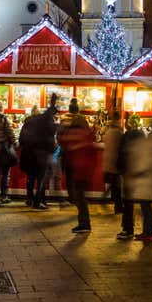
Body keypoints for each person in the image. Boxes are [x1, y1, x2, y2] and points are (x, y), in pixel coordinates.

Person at [58, 99, 95, 233]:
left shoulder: (71, 130)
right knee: (79, 196)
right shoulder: (86, 132)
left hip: (75, 168)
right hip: (83, 168)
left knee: (78, 196)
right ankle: (84, 222)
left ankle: (84, 223)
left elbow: (62, 141)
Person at [19, 96, 58, 209]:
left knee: (30, 177)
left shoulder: (28, 121)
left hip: (28, 153)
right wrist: (53, 149)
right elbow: (50, 139)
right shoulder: (46, 122)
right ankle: (39, 201)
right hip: (41, 154)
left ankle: (29, 199)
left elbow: (21, 138)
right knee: (41, 178)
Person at [116, 115, 149, 240]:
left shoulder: (126, 136)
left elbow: (122, 154)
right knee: (143, 202)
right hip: (140, 171)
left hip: (129, 172)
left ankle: (128, 228)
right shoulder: (142, 136)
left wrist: (120, 169)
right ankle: (147, 230)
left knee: (128, 201)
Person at [101, 110, 124, 214]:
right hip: (115, 162)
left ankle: (111, 201)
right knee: (117, 186)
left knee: (114, 185)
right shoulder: (118, 132)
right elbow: (122, 147)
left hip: (108, 161)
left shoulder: (109, 131)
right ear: (119, 119)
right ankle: (117, 207)